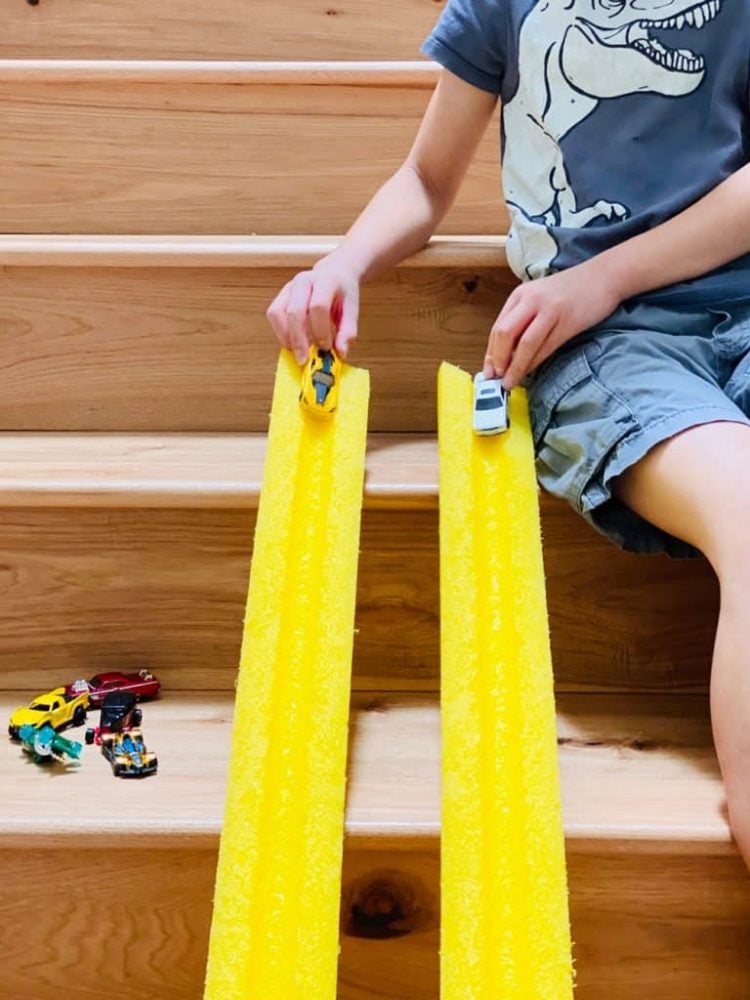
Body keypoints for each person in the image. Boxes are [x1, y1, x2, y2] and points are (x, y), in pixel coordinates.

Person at [266, 0, 750, 867]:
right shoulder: (507, 9)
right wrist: (342, 263)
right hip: (602, 347)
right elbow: (425, 179)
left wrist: (605, 275)